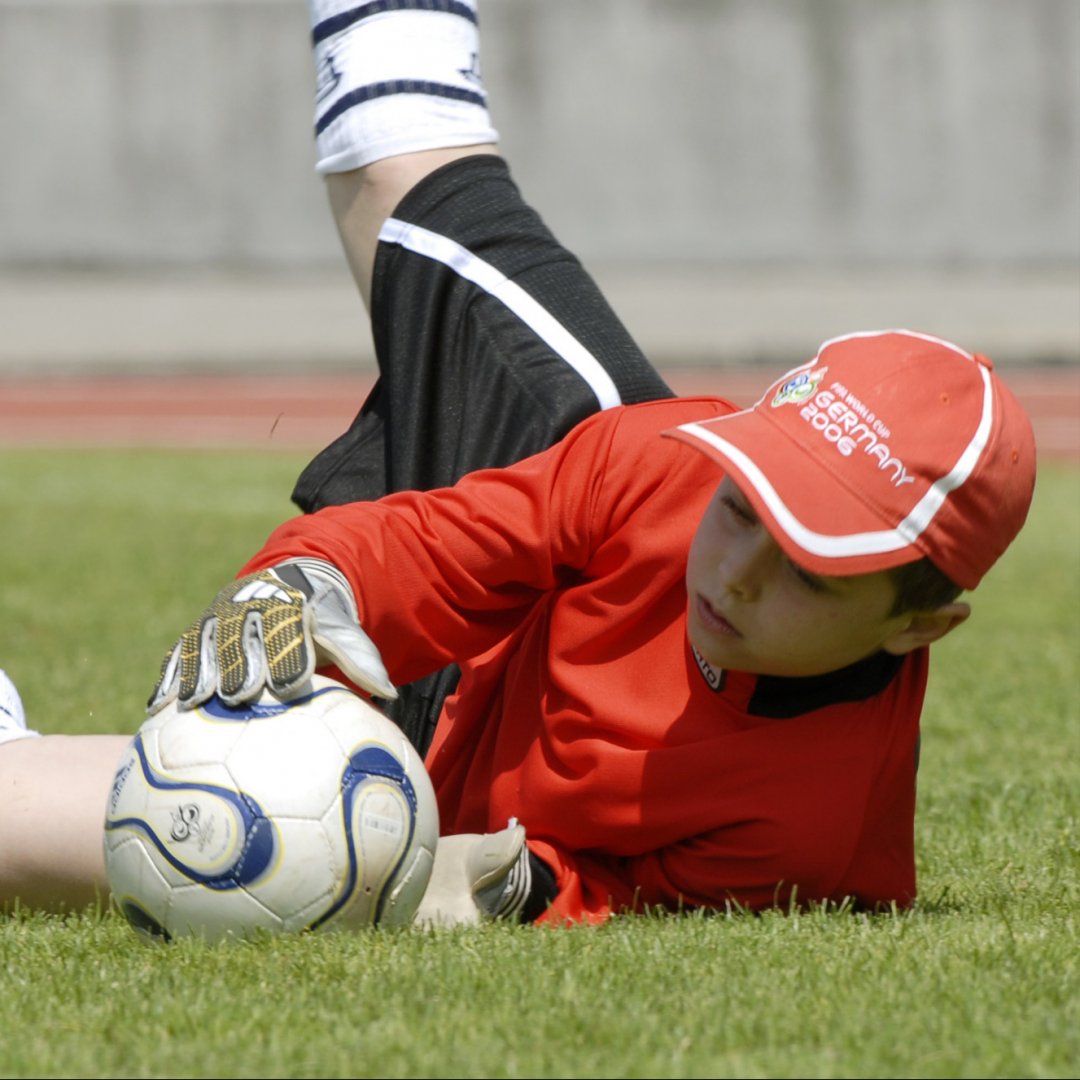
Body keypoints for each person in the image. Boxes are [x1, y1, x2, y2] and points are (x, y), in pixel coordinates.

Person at [0, 1, 1036, 925]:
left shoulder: (811, 834)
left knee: (194, 835)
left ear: (919, 624)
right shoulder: (665, 464)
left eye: (807, 570)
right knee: (410, 150)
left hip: (413, 792)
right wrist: (312, 580)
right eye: (744, 504)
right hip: (521, 545)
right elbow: (446, 543)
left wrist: (516, 887)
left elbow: (621, 891)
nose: (734, 570)